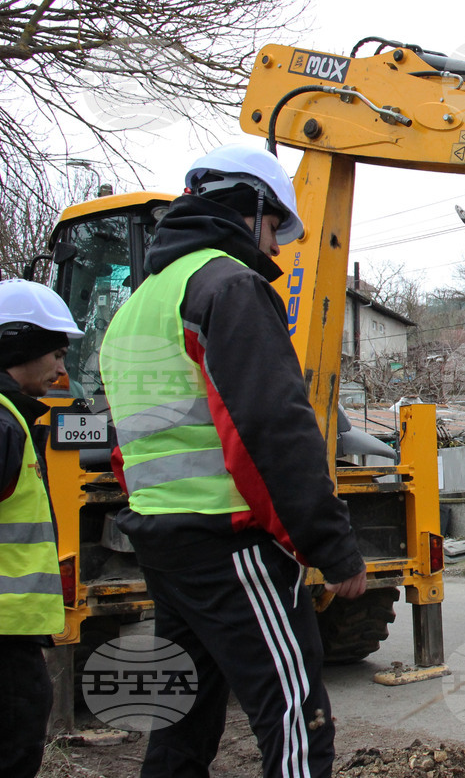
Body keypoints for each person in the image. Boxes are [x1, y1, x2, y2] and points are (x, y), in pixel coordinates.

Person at [99, 144, 367, 778]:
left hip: (163, 547)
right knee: (296, 724)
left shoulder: (134, 309)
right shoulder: (228, 285)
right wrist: (330, 547)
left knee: (181, 728)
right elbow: (272, 432)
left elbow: (124, 450)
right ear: (251, 206)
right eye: (274, 227)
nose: (275, 247)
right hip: (232, 546)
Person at [0, 279, 84, 778]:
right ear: (20, 347)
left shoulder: (13, 418)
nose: (61, 368)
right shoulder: (3, 424)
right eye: (55, 353)